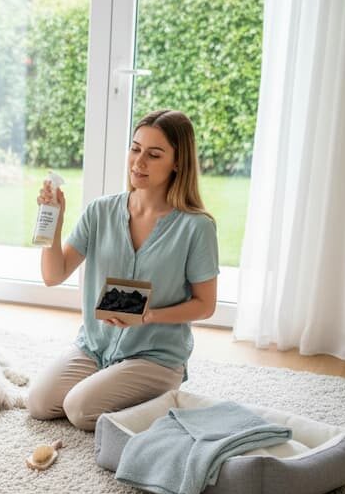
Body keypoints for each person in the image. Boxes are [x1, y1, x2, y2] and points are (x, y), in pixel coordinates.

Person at [27, 109, 219, 431]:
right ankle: (112, 385)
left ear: (178, 163)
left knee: (79, 409)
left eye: (153, 154)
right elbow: (53, 275)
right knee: (39, 402)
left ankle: (164, 399)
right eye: (135, 149)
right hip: (96, 346)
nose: (138, 162)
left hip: (153, 355)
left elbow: (205, 305)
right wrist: (55, 223)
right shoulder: (101, 211)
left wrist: (149, 316)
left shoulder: (196, 227)